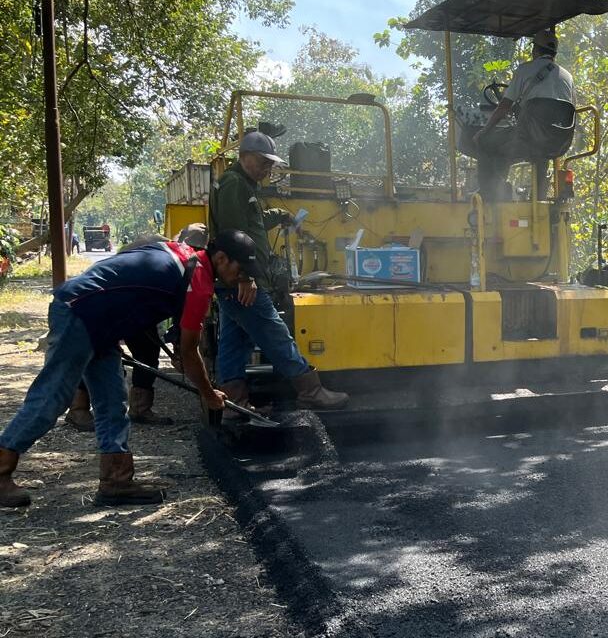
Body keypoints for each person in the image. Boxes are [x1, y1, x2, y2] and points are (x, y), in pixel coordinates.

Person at [0, 231, 255, 508]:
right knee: (53, 397)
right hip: (80, 311)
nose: (241, 278)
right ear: (221, 258)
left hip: (100, 321)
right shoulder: (199, 282)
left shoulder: (182, 253)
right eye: (241, 270)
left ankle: (116, 482)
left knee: (112, 398)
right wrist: (208, 393)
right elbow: (189, 350)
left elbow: (130, 282)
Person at [210, 130, 348, 412]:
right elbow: (233, 234)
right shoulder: (234, 184)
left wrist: (280, 216)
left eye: (270, 164)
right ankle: (310, 390)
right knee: (274, 333)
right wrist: (246, 276)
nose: (267, 168)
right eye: (263, 162)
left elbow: (254, 221)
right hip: (241, 280)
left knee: (234, 342)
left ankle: (235, 404)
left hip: (233, 281)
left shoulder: (243, 185)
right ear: (244, 157)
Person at [63, 224, 210, 431]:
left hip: (138, 306)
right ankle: (78, 409)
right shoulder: (162, 253)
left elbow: (182, 310)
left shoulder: (181, 259)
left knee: (148, 351)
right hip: (110, 301)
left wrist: (179, 345)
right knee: (98, 353)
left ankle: (140, 408)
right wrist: (182, 351)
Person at [469, 28, 576, 201]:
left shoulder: (525, 70)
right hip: (558, 142)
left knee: (486, 141)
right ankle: (538, 199)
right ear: (554, 52)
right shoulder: (568, 77)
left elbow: (504, 106)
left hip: (528, 138)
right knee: (540, 149)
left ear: (535, 50)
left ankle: (490, 195)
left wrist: (485, 130)